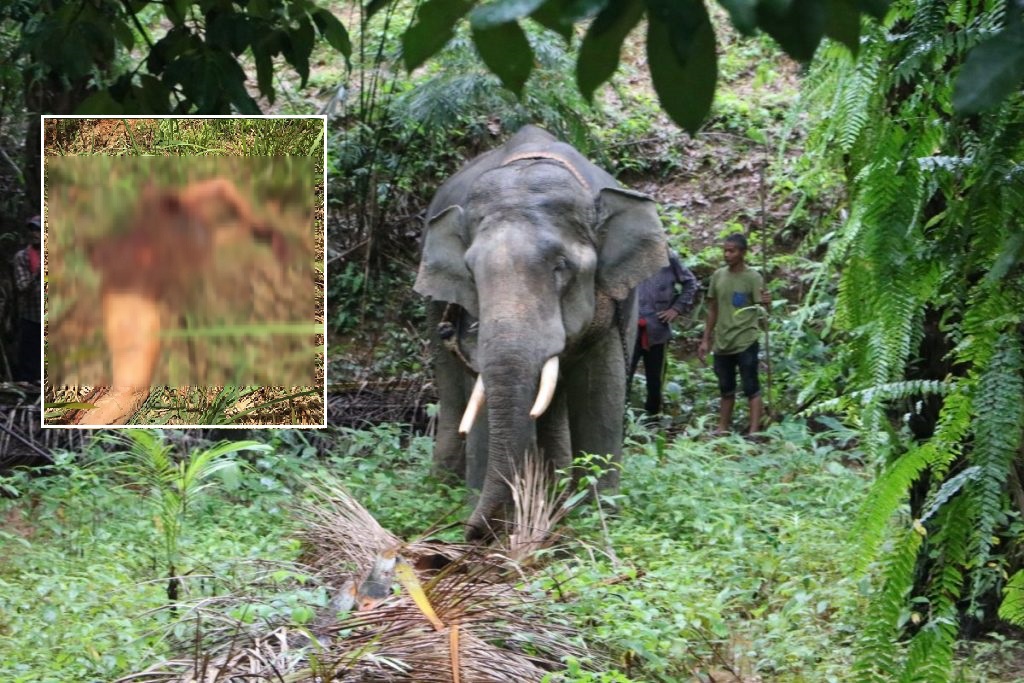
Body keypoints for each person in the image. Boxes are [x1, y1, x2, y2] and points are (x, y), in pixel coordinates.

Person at [697, 232, 771, 435]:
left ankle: (754, 431)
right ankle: (722, 428)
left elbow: (763, 311)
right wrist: (706, 339)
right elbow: (712, 309)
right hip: (723, 341)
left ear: (743, 253)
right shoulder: (718, 276)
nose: (727, 255)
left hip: (745, 340)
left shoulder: (753, 278)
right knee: (725, 387)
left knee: (751, 387)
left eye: (732, 251)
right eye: (725, 250)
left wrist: (767, 303)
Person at [630, 248, 699, 416]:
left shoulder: (669, 257)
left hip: (657, 328)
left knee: (655, 380)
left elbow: (690, 283)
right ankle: (623, 420)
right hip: (630, 330)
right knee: (624, 376)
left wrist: (676, 308)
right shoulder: (630, 255)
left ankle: (652, 419)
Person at [12, 216, 42, 382]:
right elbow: (22, 287)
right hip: (31, 318)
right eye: (31, 230)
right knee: (28, 362)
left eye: (37, 229)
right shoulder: (22, 257)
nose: (34, 233)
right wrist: (37, 274)